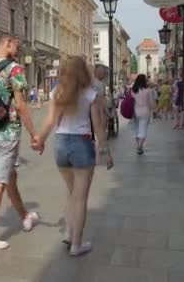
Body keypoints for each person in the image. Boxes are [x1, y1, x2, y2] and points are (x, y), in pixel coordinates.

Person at [33, 56, 113, 256]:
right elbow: (99, 127)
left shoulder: (56, 92)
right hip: (82, 144)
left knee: (70, 193)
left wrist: (40, 140)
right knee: (80, 198)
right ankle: (77, 244)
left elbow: (50, 120)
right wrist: (105, 151)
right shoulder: (90, 94)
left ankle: (69, 233)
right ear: (83, 71)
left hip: (60, 145)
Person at [0, 35, 40, 253]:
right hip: (8, 132)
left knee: (10, 176)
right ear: (7, 42)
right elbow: (21, 106)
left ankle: (24, 215)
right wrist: (34, 134)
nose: (18, 50)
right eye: (17, 46)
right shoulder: (15, 69)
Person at [132, 74, 156, 155]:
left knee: (136, 129)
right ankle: (139, 146)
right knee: (143, 129)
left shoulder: (133, 90)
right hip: (145, 111)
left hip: (135, 111)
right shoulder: (148, 90)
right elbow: (151, 103)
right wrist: (154, 108)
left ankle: (139, 146)